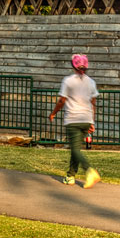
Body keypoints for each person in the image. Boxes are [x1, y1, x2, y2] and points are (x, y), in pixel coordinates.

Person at [49, 54, 101, 188]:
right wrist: (92, 122)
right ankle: (70, 176)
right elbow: (93, 103)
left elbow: (62, 100)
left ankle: (89, 170)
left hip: (73, 119)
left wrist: (54, 113)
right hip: (86, 119)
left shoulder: (68, 81)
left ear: (73, 66)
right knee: (76, 148)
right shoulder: (91, 82)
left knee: (75, 149)